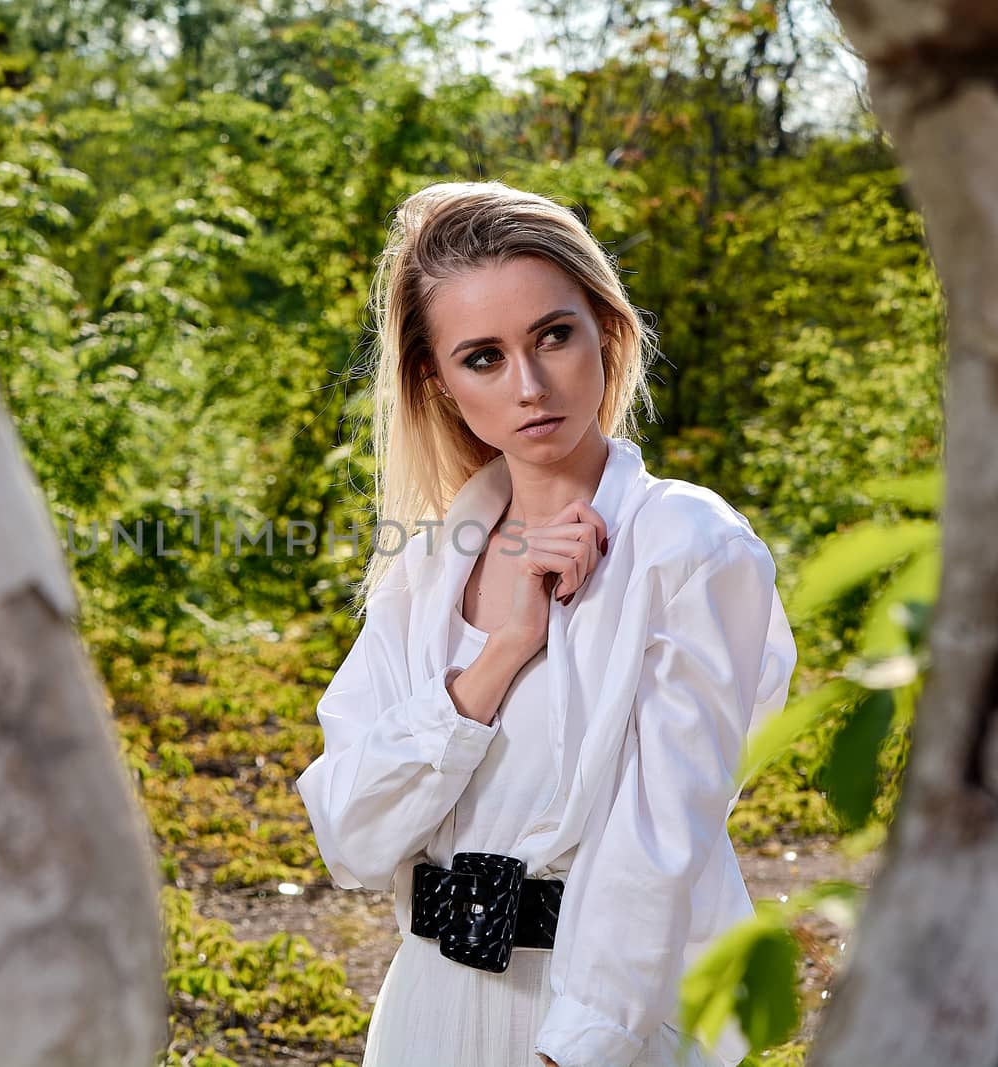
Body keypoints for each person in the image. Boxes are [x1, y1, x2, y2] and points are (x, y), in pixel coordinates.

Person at [294, 180, 798, 1067]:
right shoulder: (424, 568)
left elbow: (662, 837)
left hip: (607, 1021)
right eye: (482, 357)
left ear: (605, 329)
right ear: (438, 383)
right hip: (428, 1013)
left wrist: (577, 1049)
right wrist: (502, 654)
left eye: (553, 335)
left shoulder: (689, 546)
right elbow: (351, 831)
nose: (529, 385)